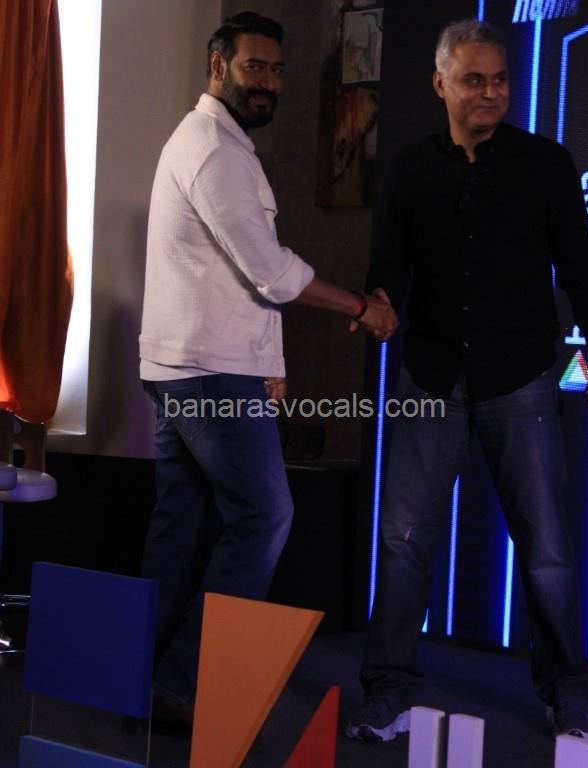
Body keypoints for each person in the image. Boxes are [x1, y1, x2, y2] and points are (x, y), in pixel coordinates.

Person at [346, 18, 588, 743]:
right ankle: (388, 693)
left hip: (520, 379)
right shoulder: (409, 168)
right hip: (429, 376)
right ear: (440, 84)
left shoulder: (546, 164)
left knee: (548, 548)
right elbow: (388, 263)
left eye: (499, 80)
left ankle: (569, 698)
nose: (490, 92)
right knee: (402, 541)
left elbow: (581, 271)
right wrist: (377, 302)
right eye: (473, 80)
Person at [139, 11, 398, 723]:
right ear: (217, 66)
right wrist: (362, 307)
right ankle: (184, 684)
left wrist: (269, 363)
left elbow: (231, 277)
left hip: (186, 365)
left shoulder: (213, 142)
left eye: (277, 70)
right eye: (254, 67)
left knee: (181, 526)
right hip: (207, 372)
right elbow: (269, 273)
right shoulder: (214, 152)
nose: (268, 83)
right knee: (264, 515)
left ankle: (140, 678)